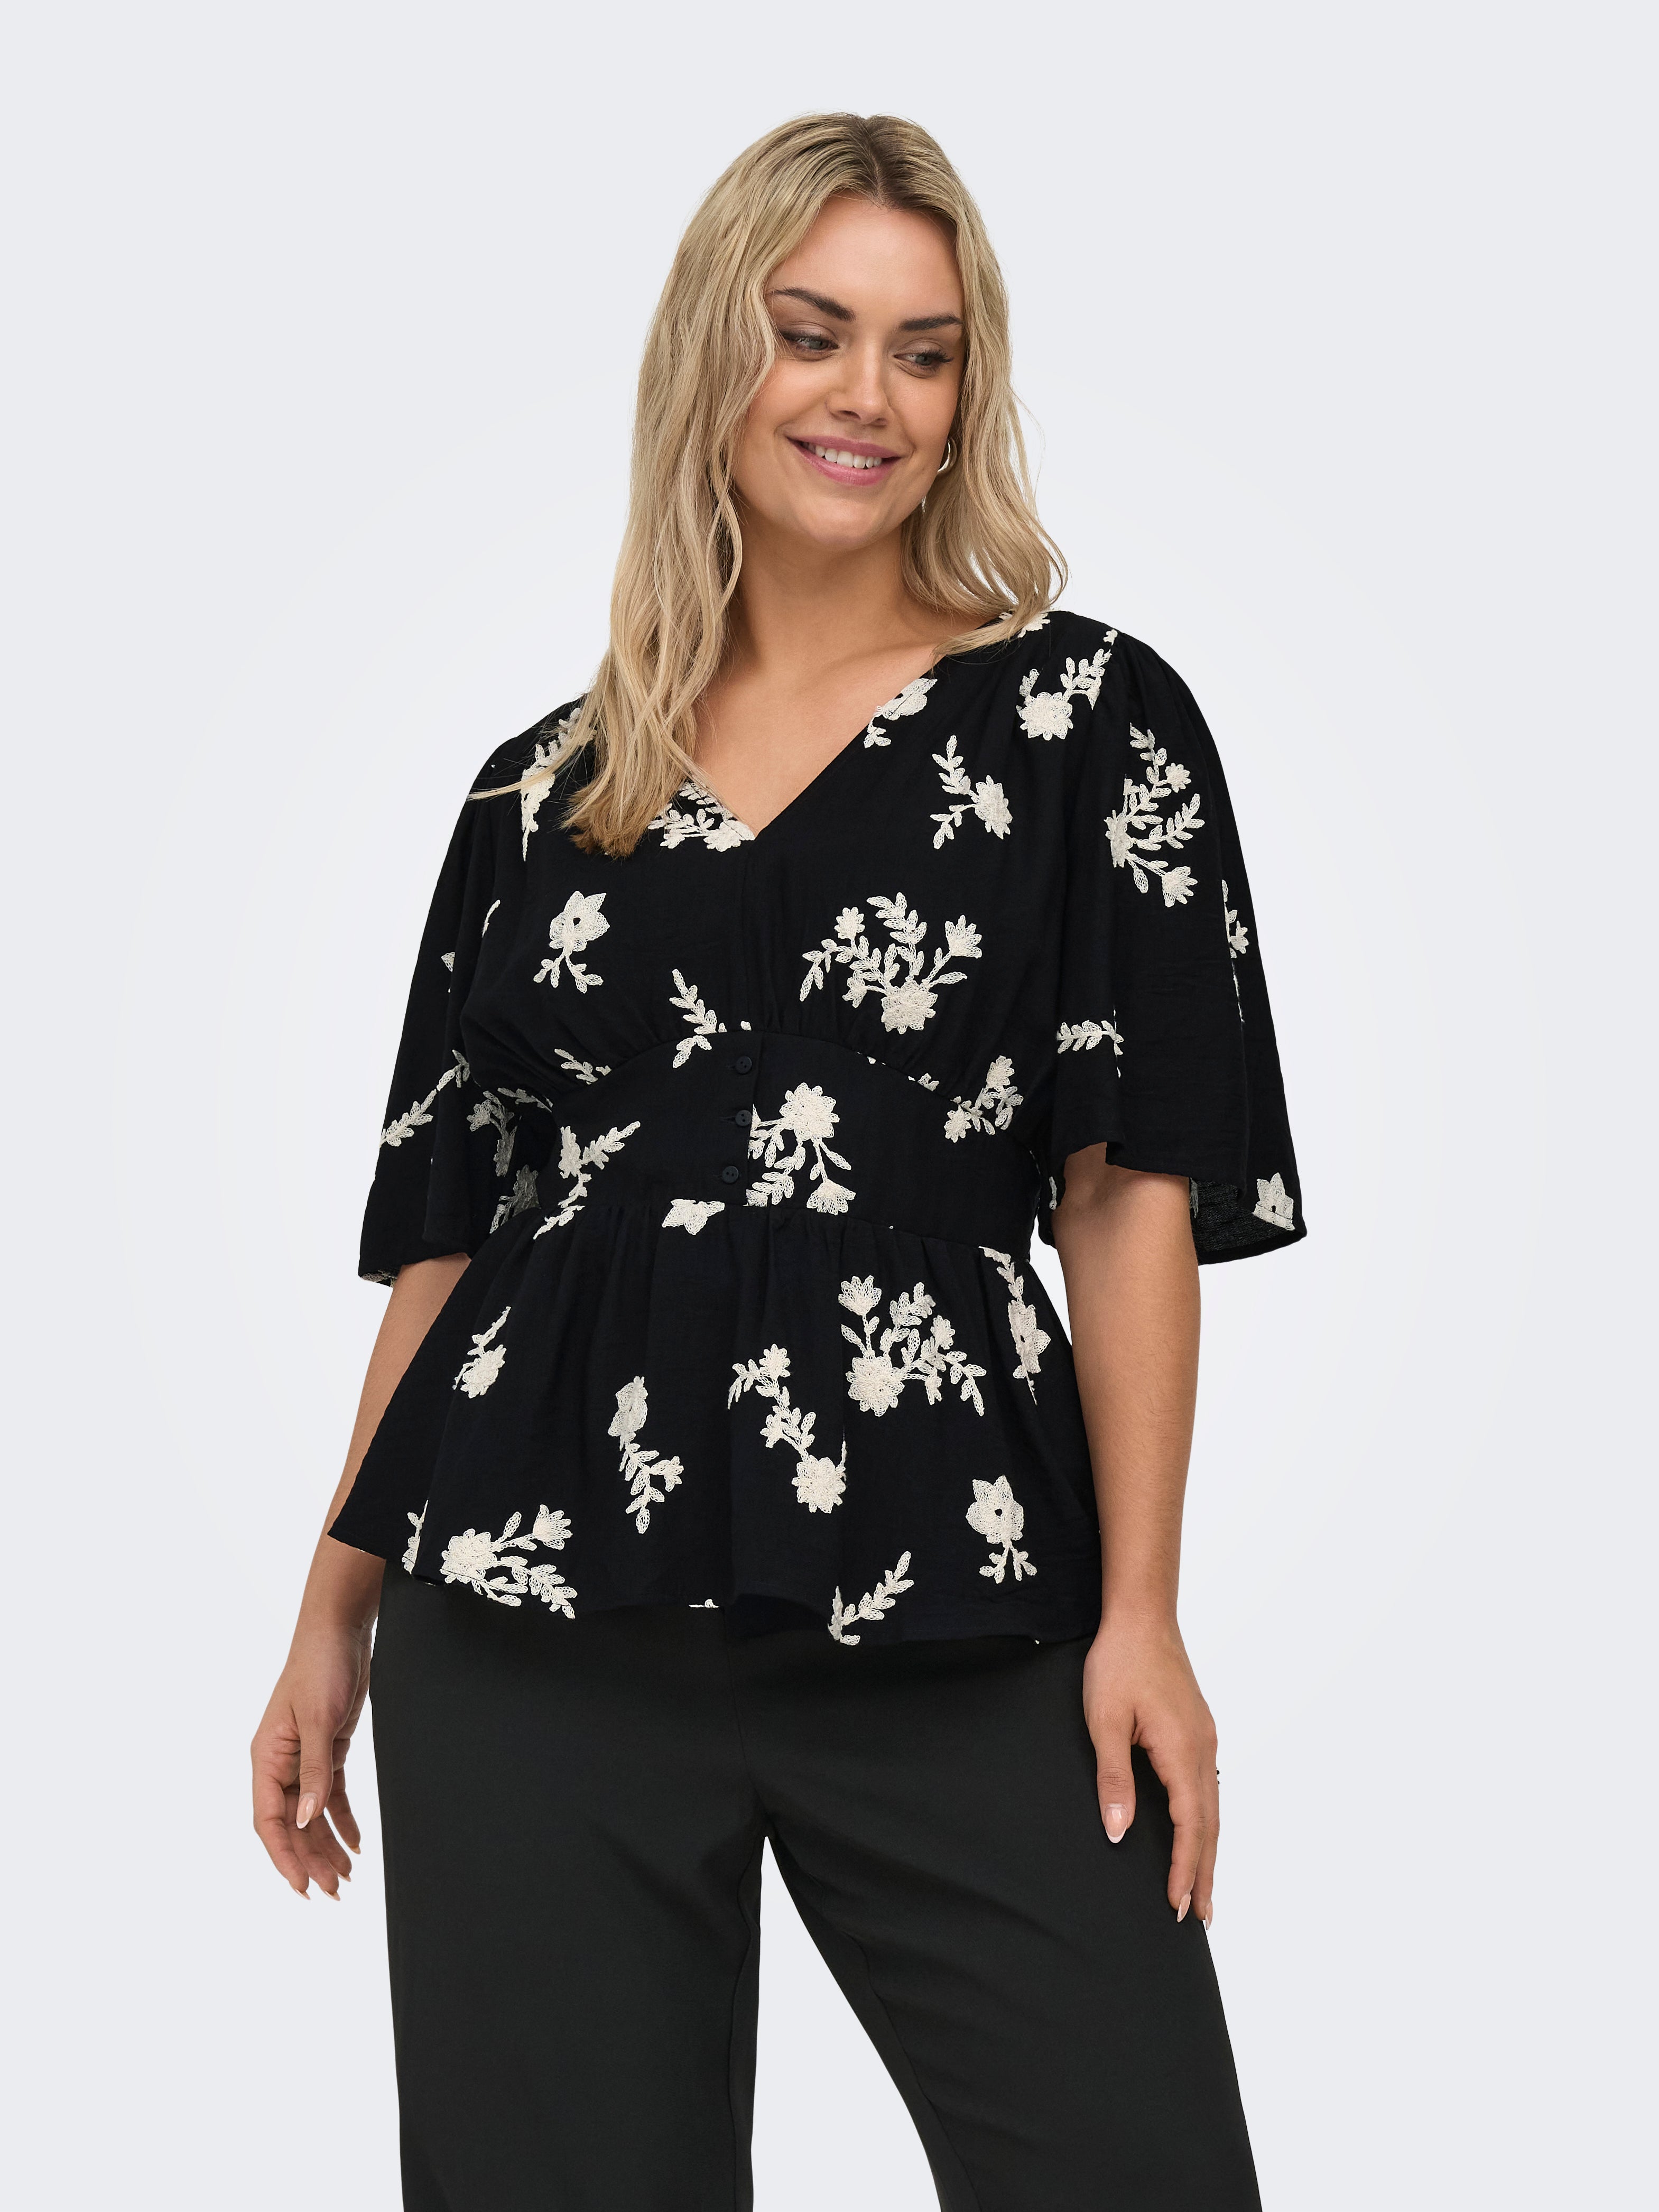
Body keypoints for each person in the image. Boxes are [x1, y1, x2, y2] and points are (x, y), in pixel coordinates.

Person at [252, 110, 1304, 2212]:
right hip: (526, 1612)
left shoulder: (1082, 721)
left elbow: (1124, 1195)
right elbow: (459, 1239)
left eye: (923, 350)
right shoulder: (544, 791)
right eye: (810, 333)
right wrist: (326, 1617)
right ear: (708, 357)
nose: (866, 397)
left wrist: (1145, 1614)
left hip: (956, 1599)